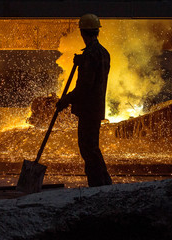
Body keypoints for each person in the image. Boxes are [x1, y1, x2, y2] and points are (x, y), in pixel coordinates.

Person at [57, 13, 112, 187]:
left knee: (88, 149)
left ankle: (97, 186)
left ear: (83, 33)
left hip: (88, 109)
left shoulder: (90, 54)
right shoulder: (104, 53)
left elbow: (85, 86)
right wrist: (83, 62)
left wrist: (66, 100)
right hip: (96, 107)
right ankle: (104, 184)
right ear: (97, 31)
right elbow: (96, 77)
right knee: (92, 148)